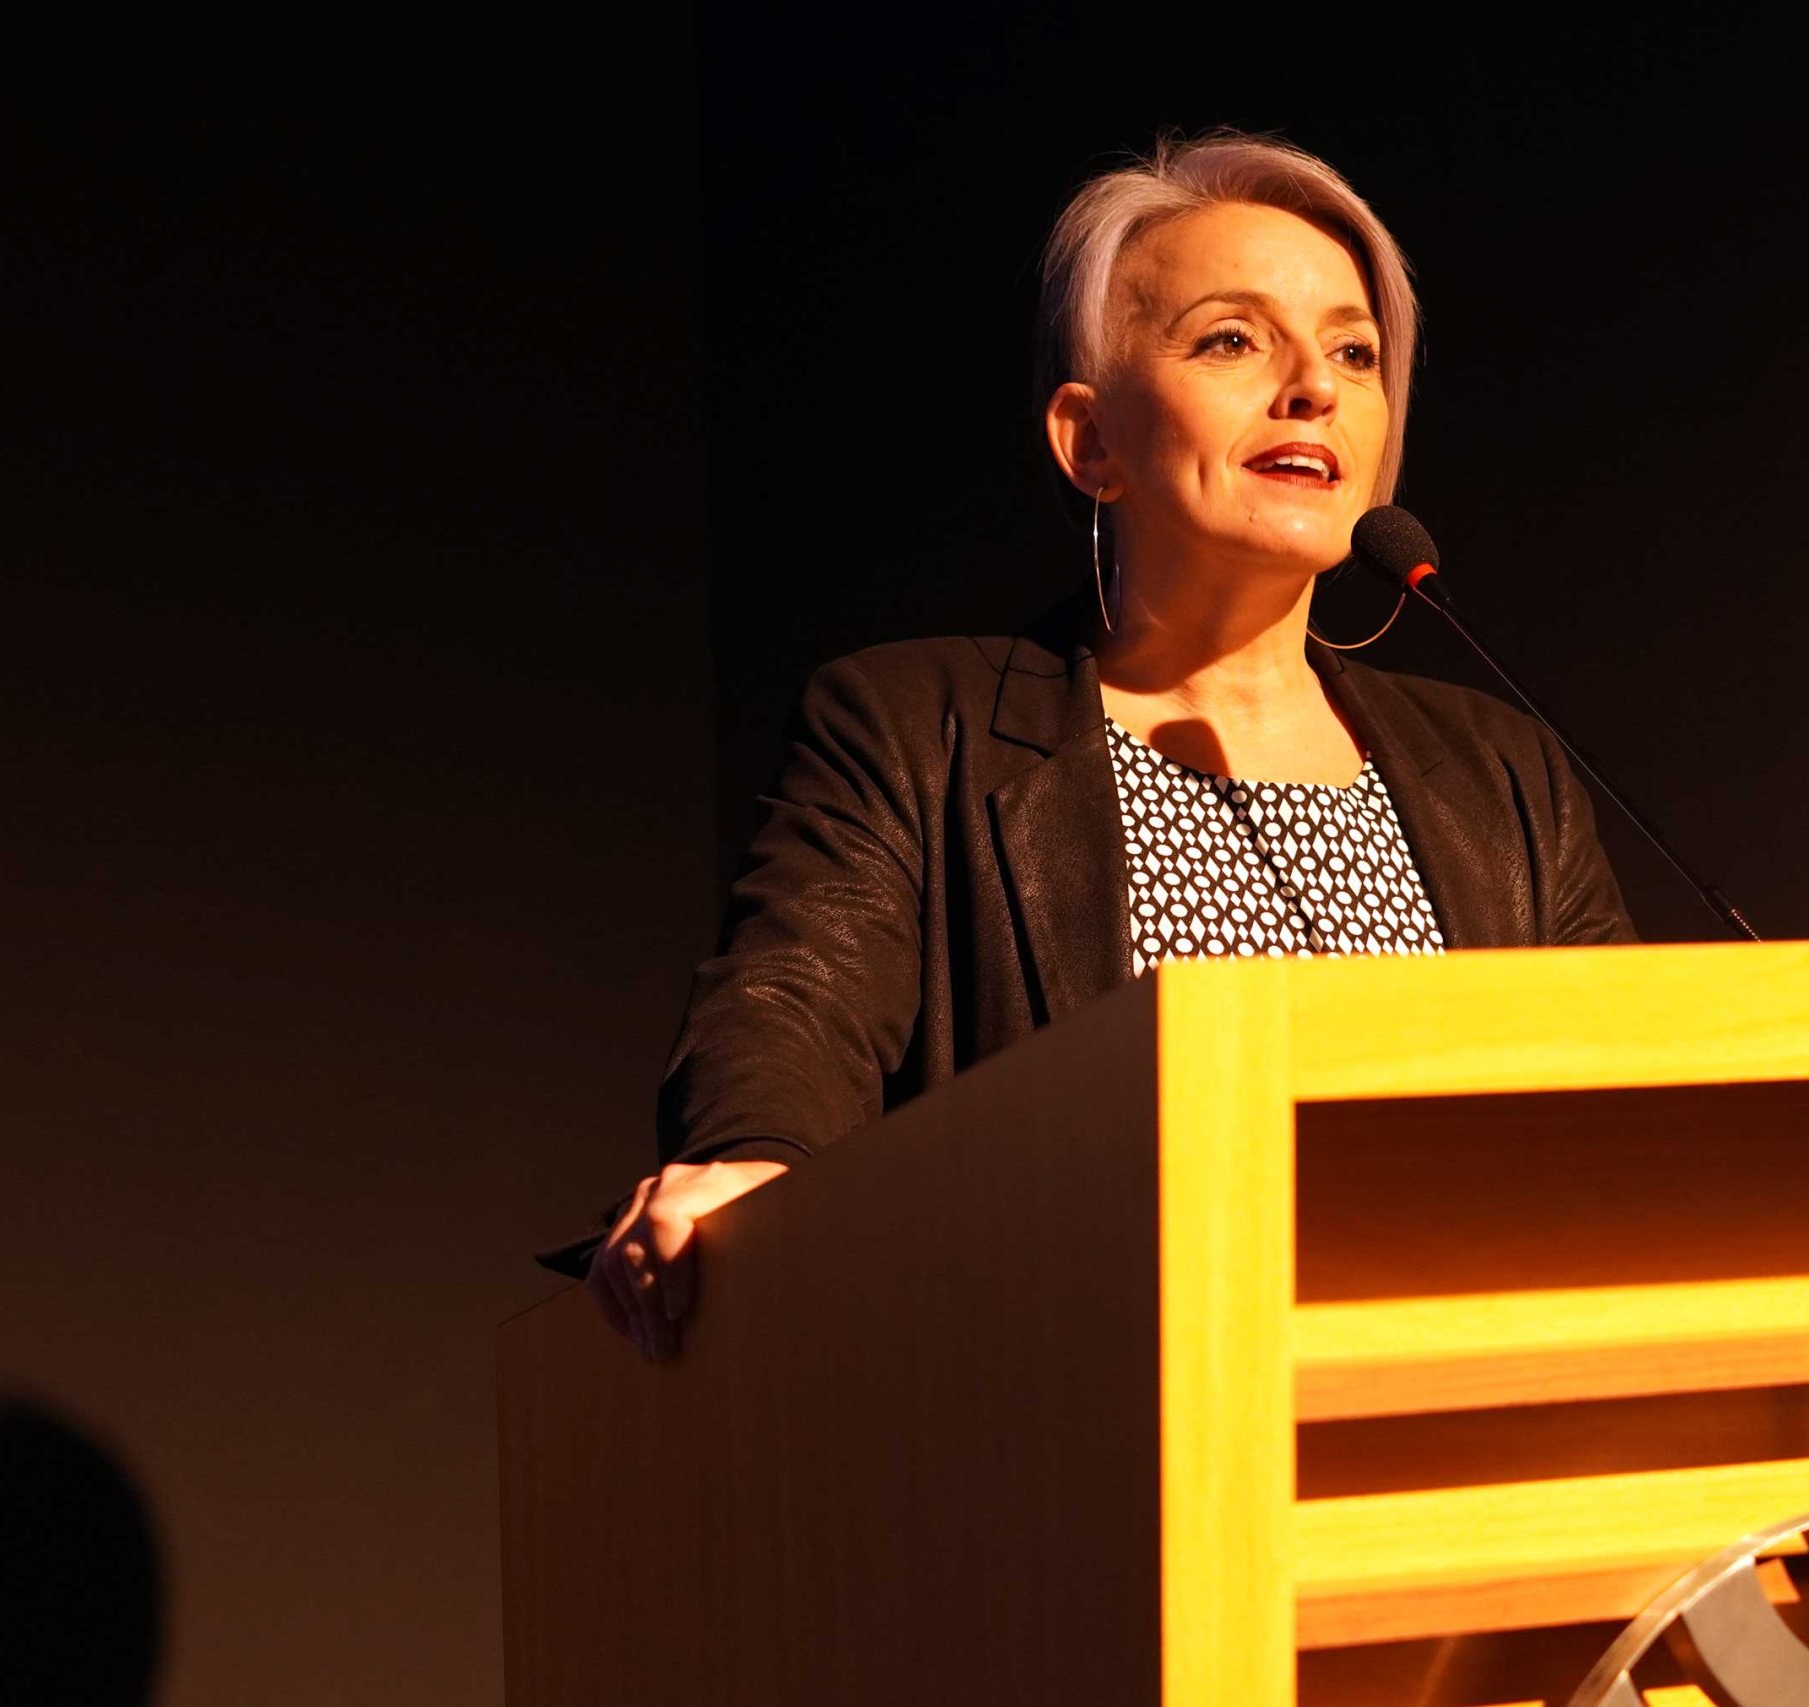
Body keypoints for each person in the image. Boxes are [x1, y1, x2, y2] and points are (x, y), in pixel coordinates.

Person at [552, 131, 1635, 1359]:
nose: (1314, 389)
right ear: (1091, 442)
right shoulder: (919, 730)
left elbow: (1631, 1102)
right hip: (1092, 1386)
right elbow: (795, 1000)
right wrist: (752, 1163)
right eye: (1232, 341)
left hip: (1463, 1387)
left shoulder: (1501, 772)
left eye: (1353, 352)